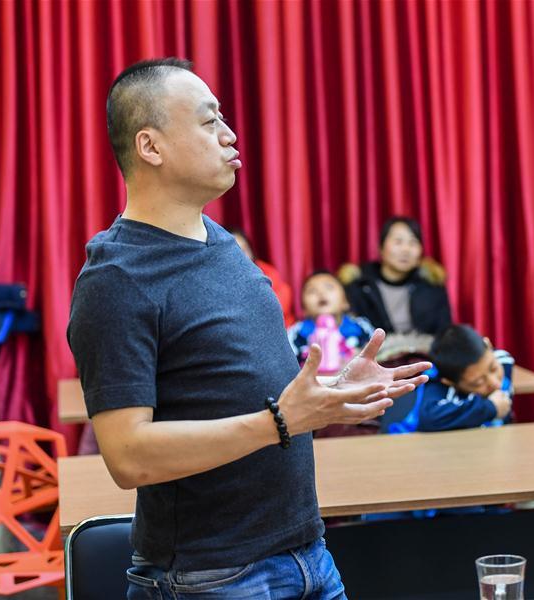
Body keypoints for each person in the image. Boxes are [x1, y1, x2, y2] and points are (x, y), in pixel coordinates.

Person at [67, 58, 430, 598]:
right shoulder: (115, 277)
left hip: (308, 554)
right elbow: (128, 456)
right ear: (151, 146)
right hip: (209, 578)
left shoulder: (220, 244)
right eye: (209, 121)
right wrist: (283, 420)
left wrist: (329, 395)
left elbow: (236, 391)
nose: (230, 134)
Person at [392, 324, 513, 433]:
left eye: (493, 369)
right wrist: (490, 407)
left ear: (488, 345)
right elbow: (429, 418)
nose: (496, 383)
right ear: (449, 382)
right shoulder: (437, 383)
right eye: (478, 382)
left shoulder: (502, 360)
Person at [341, 217, 452, 335]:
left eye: (413, 242)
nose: (406, 250)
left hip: (423, 351)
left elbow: (444, 332)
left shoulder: (431, 285)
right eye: (398, 242)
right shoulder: (359, 285)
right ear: (381, 248)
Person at [286, 270, 374, 367]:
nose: (321, 293)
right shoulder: (296, 334)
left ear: (345, 302)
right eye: (312, 291)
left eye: (329, 287)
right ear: (304, 309)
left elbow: (377, 355)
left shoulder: (361, 327)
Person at [230, 227, 296, 326]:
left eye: (244, 250)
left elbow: (275, 311)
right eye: (233, 252)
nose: (240, 257)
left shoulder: (269, 276)